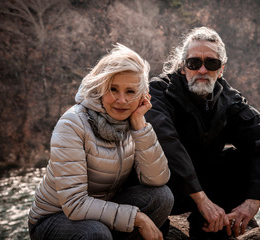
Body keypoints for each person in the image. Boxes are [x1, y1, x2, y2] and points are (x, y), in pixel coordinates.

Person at [145, 27, 260, 239]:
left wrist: (253, 202)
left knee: (243, 159)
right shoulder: (158, 91)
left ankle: (212, 227)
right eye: (194, 63)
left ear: (221, 69)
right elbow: (166, 142)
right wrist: (201, 199)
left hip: (208, 185)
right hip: (165, 184)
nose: (202, 70)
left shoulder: (229, 99)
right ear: (184, 67)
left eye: (211, 63)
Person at [28, 43, 173, 240]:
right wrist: (137, 218)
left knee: (162, 197)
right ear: (100, 88)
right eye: (113, 89)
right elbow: (74, 203)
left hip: (102, 210)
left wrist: (140, 125)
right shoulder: (73, 123)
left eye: (130, 92)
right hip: (55, 218)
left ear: (142, 96)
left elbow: (157, 179)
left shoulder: (133, 121)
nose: (121, 100)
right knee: (95, 233)